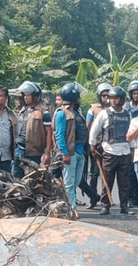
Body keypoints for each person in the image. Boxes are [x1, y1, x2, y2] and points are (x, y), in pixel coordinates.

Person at [89, 85, 132, 216]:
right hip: (109, 152)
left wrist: (133, 149)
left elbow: (131, 132)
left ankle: (124, 206)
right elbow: (94, 131)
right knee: (107, 181)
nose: (113, 100)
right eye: (111, 98)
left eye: (116, 98)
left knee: (124, 182)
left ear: (122, 99)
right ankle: (105, 206)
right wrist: (92, 145)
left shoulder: (127, 114)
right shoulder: (104, 113)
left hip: (125, 151)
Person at [53, 82, 88, 211]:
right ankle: (71, 209)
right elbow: (59, 135)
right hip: (70, 153)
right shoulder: (62, 113)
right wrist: (64, 153)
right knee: (69, 183)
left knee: (75, 182)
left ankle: (70, 206)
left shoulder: (77, 111)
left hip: (79, 152)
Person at [11, 81, 51, 178]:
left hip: (34, 152)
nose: (25, 97)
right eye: (24, 95)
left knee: (33, 179)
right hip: (19, 149)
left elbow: (49, 133)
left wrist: (47, 154)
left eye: (28, 95)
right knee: (15, 177)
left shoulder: (43, 112)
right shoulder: (22, 110)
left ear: (36, 96)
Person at [83, 82, 113, 204]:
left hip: (109, 145)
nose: (106, 98)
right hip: (96, 145)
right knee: (94, 173)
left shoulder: (115, 110)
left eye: (108, 95)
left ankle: (105, 199)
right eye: (103, 95)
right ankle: (93, 198)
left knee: (107, 174)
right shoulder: (93, 110)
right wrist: (92, 144)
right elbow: (88, 126)